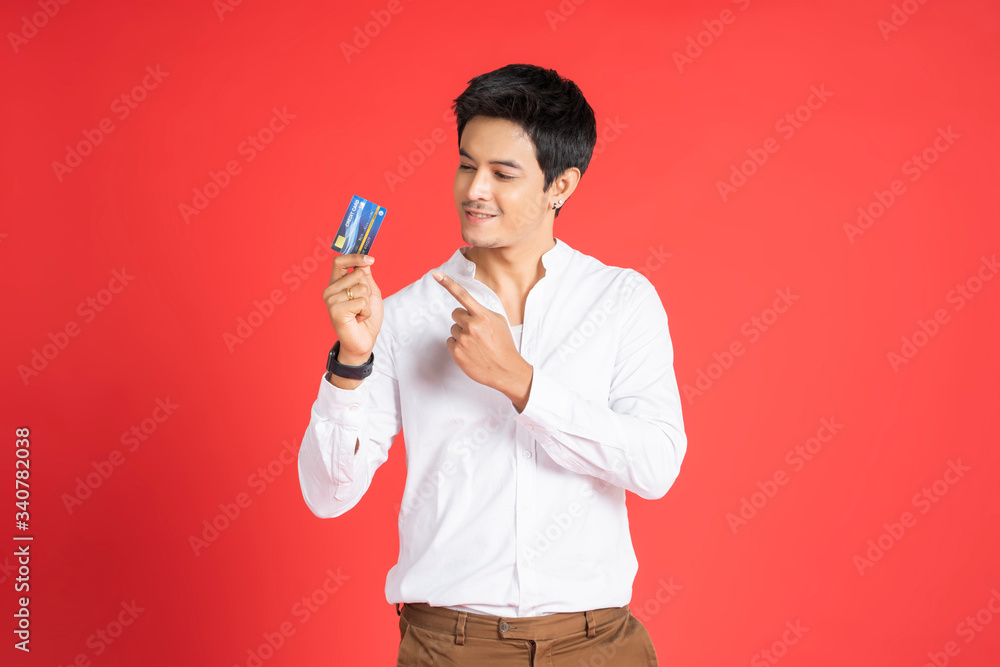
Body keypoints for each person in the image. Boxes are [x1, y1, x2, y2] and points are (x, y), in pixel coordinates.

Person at [297, 63, 687, 666]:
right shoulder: (402, 315)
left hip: (598, 646)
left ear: (561, 186)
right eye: (466, 164)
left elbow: (656, 466)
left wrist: (521, 384)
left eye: (503, 173)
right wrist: (352, 360)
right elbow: (328, 495)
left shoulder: (621, 299)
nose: (474, 190)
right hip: (451, 648)